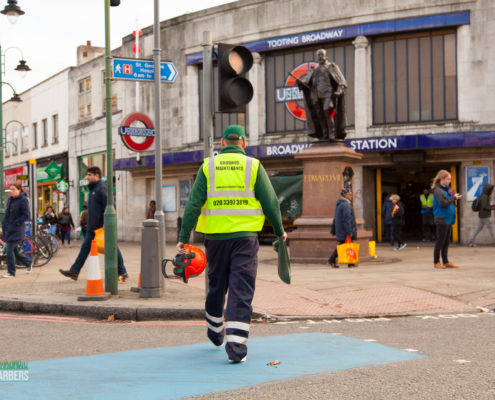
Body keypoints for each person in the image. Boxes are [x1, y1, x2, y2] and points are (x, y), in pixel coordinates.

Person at [177, 125, 286, 363]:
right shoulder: (254, 166)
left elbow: (193, 204)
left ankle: (215, 329)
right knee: (241, 288)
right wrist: (279, 231)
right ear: (244, 144)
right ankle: (236, 347)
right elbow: (270, 203)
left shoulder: (208, 166)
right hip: (245, 239)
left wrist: (183, 238)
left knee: (217, 285)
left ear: (223, 143)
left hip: (215, 239)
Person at [59, 166, 128, 281]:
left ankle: (122, 271)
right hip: (92, 226)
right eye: (87, 175)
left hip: (100, 227)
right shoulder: (93, 189)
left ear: (97, 176)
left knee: (112, 247)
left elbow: (108, 206)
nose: (87, 177)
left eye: (90, 175)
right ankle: (74, 271)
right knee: (85, 248)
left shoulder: (101, 188)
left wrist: (107, 224)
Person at [297, 48, 347, 141]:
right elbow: (307, 81)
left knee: (327, 110)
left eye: (322, 55)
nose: (320, 57)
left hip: (328, 93)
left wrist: (340, 90)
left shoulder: (331, 66)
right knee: (320, 115)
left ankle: (332, 133)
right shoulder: (314, 69)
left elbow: (341, 81)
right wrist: (301, 82)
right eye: (318, 55)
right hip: (316, 95)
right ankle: (324, 134)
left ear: (326, 56)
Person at [431, 169, 462, 269]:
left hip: (449, 218)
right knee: (440, 240)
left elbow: (451, 199)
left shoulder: (448, 189)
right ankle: (436, 262)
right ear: (442, 179)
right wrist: (454, 198)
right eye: (448, 179)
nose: (450, 181)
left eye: (450, 179)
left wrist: (455, 196)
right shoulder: (437, 190)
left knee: (446, 241)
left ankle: (445, 261)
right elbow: (443, 203)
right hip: (442, 218)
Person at [1, 183, 32, 277]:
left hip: (17, 228)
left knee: (9, 250)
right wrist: (4, 224)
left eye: (13, 189)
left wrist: (16, 222)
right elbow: (7, 214)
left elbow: (26, 214)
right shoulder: (10, 199)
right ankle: (28, 262)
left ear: (19, 190)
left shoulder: (23, 200)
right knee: (14, 251)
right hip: (9, 228)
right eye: (10, 189)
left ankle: (11, 272)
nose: (11, 191)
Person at [328, 188, 358, 268]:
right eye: (350, 194)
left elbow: (335, 218)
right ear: (345, 195)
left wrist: (333, 230)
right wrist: (349, 231)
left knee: (346, 245)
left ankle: (350, 262)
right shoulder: (346, 205)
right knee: (343, 245)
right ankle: (331, 260)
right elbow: (347, 219)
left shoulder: (340, 204)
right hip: (345, 230)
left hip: (341, 229)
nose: (351, 196)